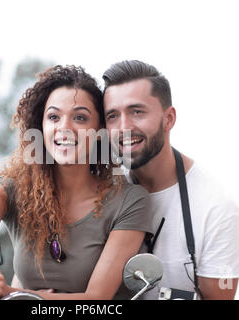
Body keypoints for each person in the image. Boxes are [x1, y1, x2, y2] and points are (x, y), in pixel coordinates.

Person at [0, 65, 153, 300]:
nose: (65, 128)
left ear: (99, 129)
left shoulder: (129, 200)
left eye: (80, 118)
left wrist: (15, 294)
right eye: (53, 117)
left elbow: (97, 299)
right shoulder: (13, 188)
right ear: (40, 127)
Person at [102, 59, 239, 300]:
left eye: (137, 111)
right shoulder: (100, 195)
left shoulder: (216, 206)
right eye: (113, 116)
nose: (124, 127)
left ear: (169, 119)